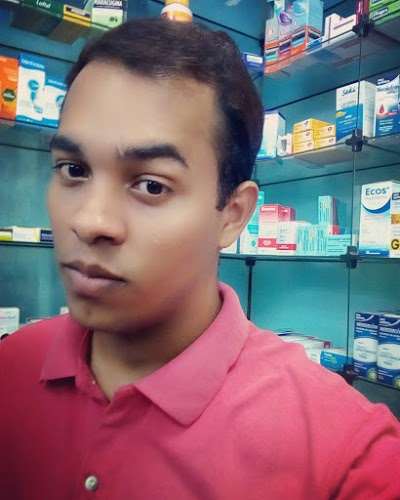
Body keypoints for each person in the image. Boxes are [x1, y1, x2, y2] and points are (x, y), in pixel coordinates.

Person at [1, 18, 399, 500]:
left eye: (152, 185)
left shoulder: (345, 455)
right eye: (74, 169)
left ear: (233, 215)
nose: (89, 221)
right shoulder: (11, 364)